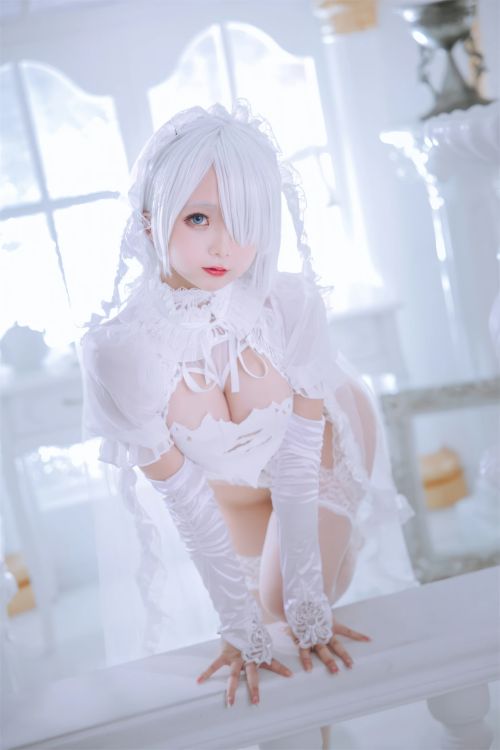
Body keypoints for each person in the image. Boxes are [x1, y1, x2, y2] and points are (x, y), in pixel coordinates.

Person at [78, 100, 416, 709]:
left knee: (291, 608)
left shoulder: (287, 304)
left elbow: (296, 457)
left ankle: (333, 554)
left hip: (320, 444)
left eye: (245, 220)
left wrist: (307, 601)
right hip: (226, 485)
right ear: (151, 220)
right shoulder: (121, 353)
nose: (225, 245)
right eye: (199, 218)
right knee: (260, 640)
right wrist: (239, 629)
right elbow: (184, 500)